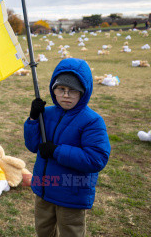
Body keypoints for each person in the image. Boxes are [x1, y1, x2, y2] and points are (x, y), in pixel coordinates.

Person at [24, 58, 111, 237]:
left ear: (83, 92)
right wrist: (33, 120)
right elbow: (33, 146)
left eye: (72, 91)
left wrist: (57, 151)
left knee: (70, 232)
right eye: (61, 89)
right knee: (43, 230)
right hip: (44, 187)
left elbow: (96, 159)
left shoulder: (92, 121)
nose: (65, 95)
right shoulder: (46, 114)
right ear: (53, 89)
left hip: (72, 192)